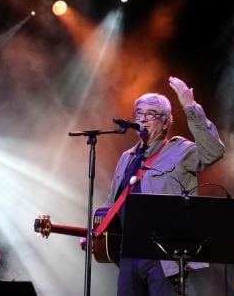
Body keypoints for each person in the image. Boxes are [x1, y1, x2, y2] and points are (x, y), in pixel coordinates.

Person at [84, 76, 225, 296]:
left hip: (165, 256)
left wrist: (190, 106)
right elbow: (113, 202)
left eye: (151, 114)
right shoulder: (127, 157)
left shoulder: (180, 150)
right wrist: (96, 231)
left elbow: (213, 152)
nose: (143, 119)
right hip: (129, 254)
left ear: (167, 121)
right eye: (139, 113)